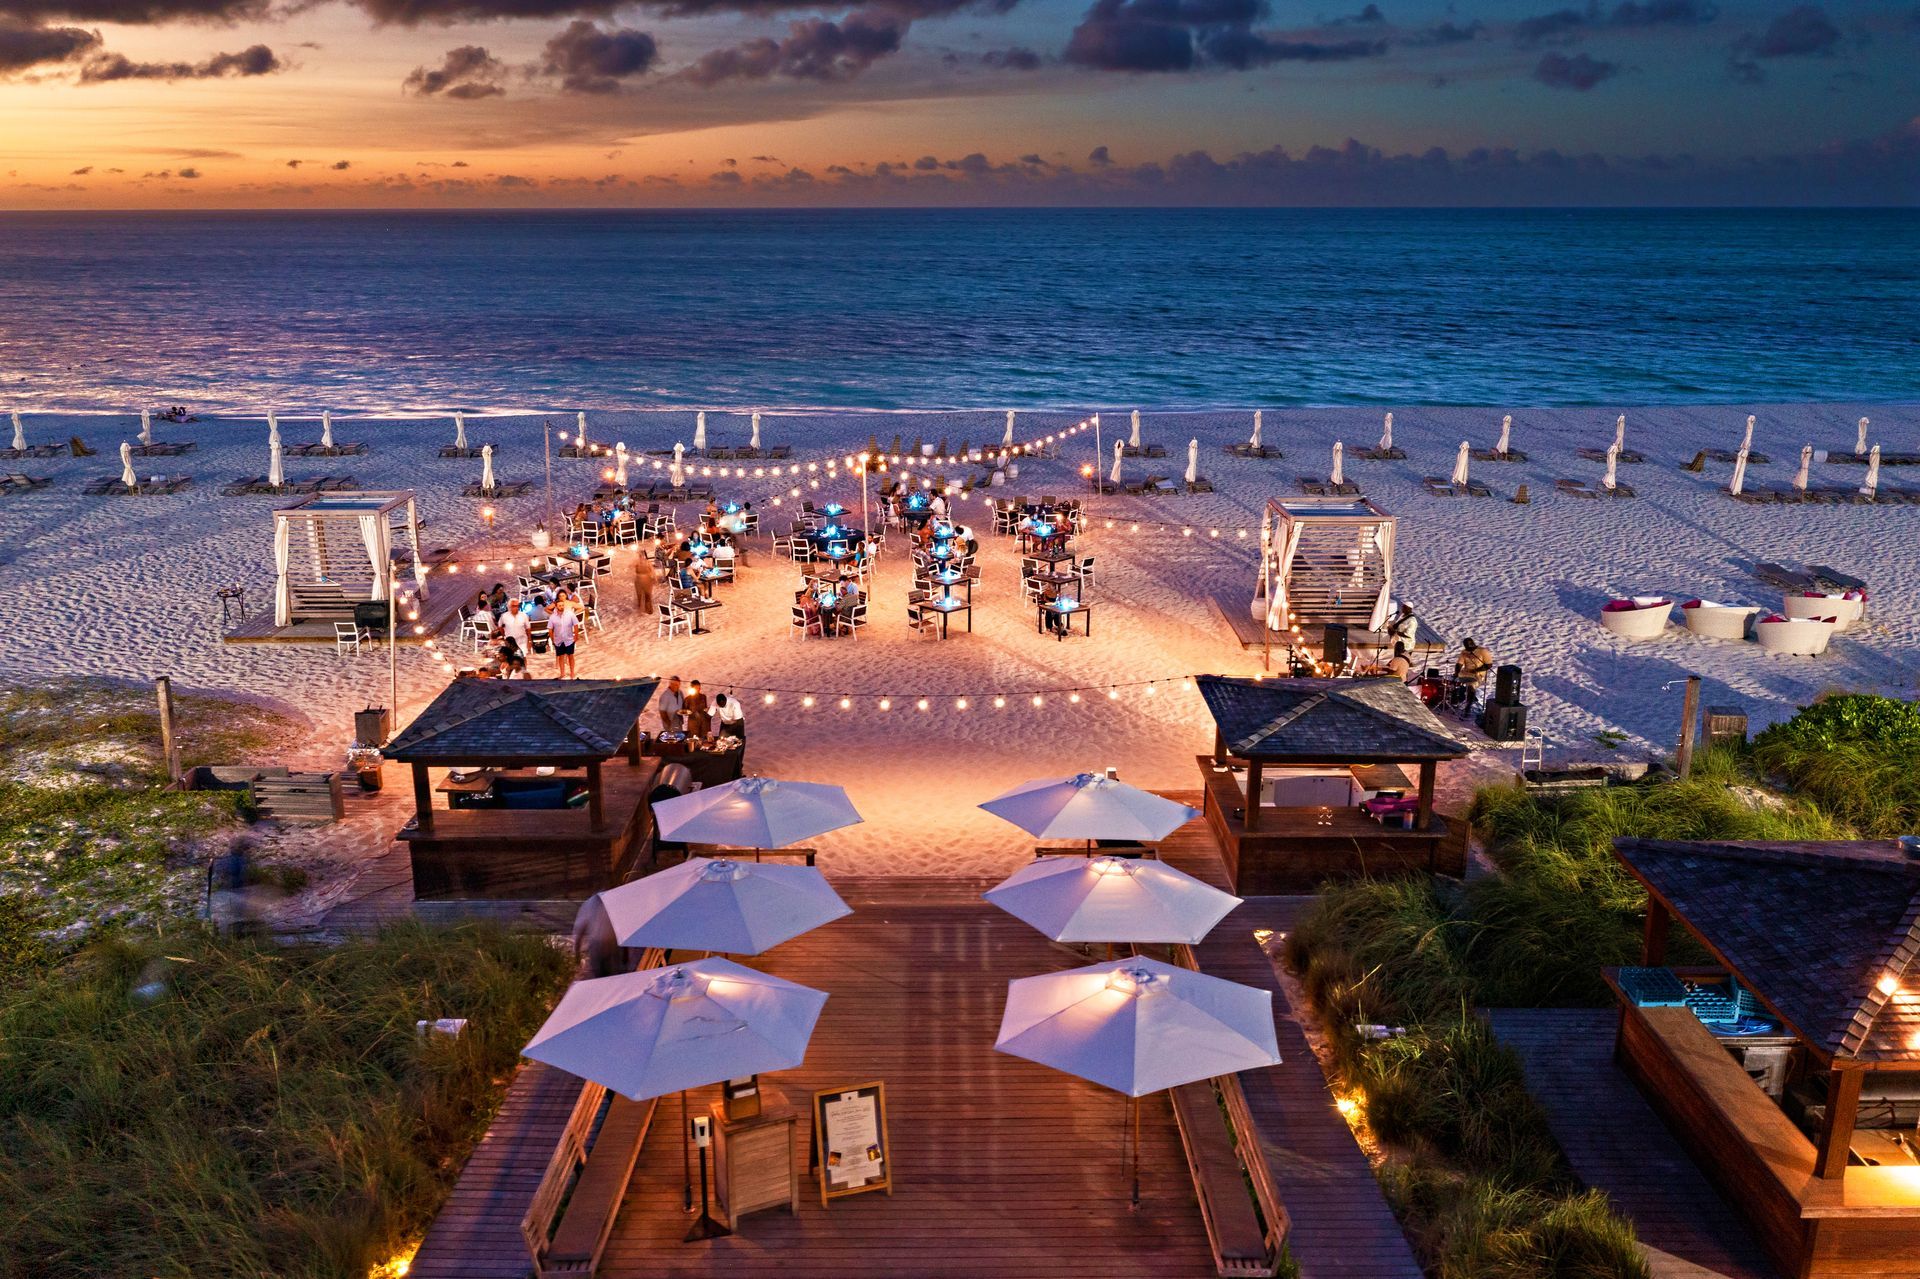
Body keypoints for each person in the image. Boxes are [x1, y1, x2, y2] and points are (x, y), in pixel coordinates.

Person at [548, 599, 579, 679]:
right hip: (558, 640)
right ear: (556, 606)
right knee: (561, 657)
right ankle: (562, 674)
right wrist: (552, 639)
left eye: (562, 605)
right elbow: (550, 629)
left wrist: (576, 635)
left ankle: (572, 673)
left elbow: (576, 624)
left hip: (569, 639)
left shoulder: (570, 614)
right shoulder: (552, 617)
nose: (561, 607)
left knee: (570, 656)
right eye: (559, 606)